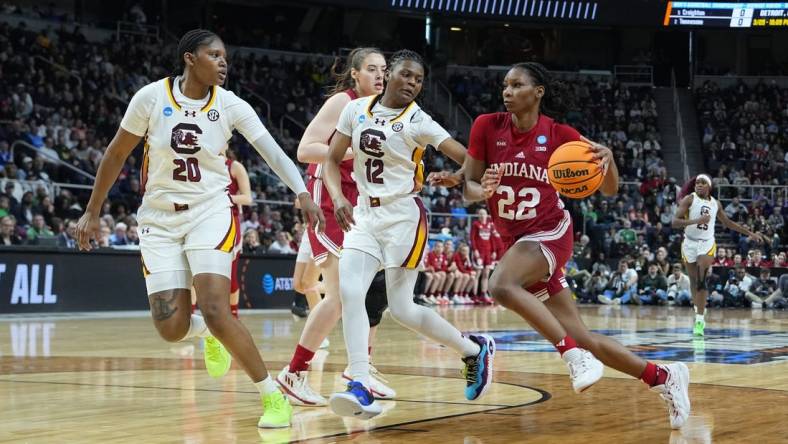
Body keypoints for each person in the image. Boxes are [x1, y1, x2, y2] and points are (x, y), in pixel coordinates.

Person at [74, 29, 325, 429]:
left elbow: (272, 151)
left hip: (210, 212)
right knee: (171, 329)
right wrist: (92, 211)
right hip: (158, 218)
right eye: (214, 55)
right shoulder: (151, 98)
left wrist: (301, 192)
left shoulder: (231, 105)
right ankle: (204, 333)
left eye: (225, 55)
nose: (223, 62)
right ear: (190, 59)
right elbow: (117, 152)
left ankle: (272, 396)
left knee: (215, 307)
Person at [463, 61, 690, 429]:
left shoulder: (560, 134)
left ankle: (570, 356)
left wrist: (609, 161)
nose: (507, 92)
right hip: (518, 242)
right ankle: (663, 376)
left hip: (551, 232)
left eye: (517, 85)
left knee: (501, 285)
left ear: (538, 92)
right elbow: (467, 187)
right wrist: (481, 190)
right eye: (505, 85)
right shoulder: (486, 126)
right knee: (584, 337)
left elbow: (611, 188)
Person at [324, 49, 495, 419]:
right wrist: (337, 196)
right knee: (349, 292)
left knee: (402, 308)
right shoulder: (355, 110)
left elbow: (466, 157)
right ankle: (360, 383)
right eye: (406, 75)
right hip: (365, 215)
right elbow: (331, 159)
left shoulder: (419, 120)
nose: (412, 83)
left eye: (419, 79)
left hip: (403, 216)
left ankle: (472, 350)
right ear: (389, 74)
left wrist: (457, 176)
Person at [277, 47, 397, 406]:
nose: (380, 75)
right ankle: (294, 373)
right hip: (329, 195)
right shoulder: (342, 103)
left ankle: (360, 368)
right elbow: (305, 149)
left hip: (361, 201)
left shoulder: (385, 112)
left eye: (384, 69)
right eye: (372, 69)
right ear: (355, 74)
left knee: (365, 291)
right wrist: (350, 150)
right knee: (341, 292)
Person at [671, 174, 765, 336]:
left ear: (709, 187)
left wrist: (750, 233)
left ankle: (699, 320)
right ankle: (699, 308)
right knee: (693, 281)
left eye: (703, 183)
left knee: (701, 278)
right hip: (689, 242)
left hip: (706, 243)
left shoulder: (716, 204)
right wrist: (696, 221)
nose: (699, 185)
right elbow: (674, 222)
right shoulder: (689, 199)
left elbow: (728, 223)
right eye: (697, 183)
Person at [470, 208, 495, 303]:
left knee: (486, 274)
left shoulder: (489, 225)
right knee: (478, 274)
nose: (482, 216)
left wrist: (494, 250)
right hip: (479, 252)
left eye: (483, 214)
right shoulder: (475, 224)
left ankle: (484, 294)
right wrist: (475, 250)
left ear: (486, 215)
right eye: (480, 214)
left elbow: (492, 238)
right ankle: (474, 295)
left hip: (488, 252)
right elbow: (472, 238)